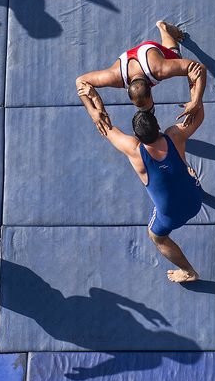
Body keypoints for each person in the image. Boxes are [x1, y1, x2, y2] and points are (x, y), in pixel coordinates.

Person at [77, 91, 206, 283]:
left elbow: (104, 126)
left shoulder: (135, 150)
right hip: (196, 200)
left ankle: (188, 271)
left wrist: (92, 101)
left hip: (171, 216)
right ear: (158, 126)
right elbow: (199, 115)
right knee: (187, 172)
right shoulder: (175, 135)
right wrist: (195, 98)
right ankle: (194, 183)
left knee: (157, 237)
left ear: (137, 136)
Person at [75, 21, 206, 115]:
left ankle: (163, 27)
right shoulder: (115, 76)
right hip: (133, 61)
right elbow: (80, 81)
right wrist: (93, 112)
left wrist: (196, 101)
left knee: (176, 57)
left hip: (151, 54)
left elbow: (198, 67)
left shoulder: (160, 69)